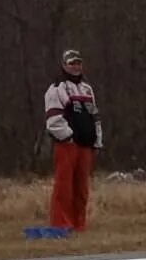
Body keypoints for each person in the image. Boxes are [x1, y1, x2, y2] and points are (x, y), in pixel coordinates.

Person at [43, 48, 103, 231]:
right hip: (67, 145)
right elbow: (53, 119)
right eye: (72, 63)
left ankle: (79, 225)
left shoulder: (87, 88)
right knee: (64, 187)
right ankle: (61, 225)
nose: (76, 67)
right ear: (64, 65)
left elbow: (95, 116)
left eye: (78, 63)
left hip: (86, 145)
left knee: (82, 189)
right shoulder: (56, 88)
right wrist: (67, 136)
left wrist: (97, 139)